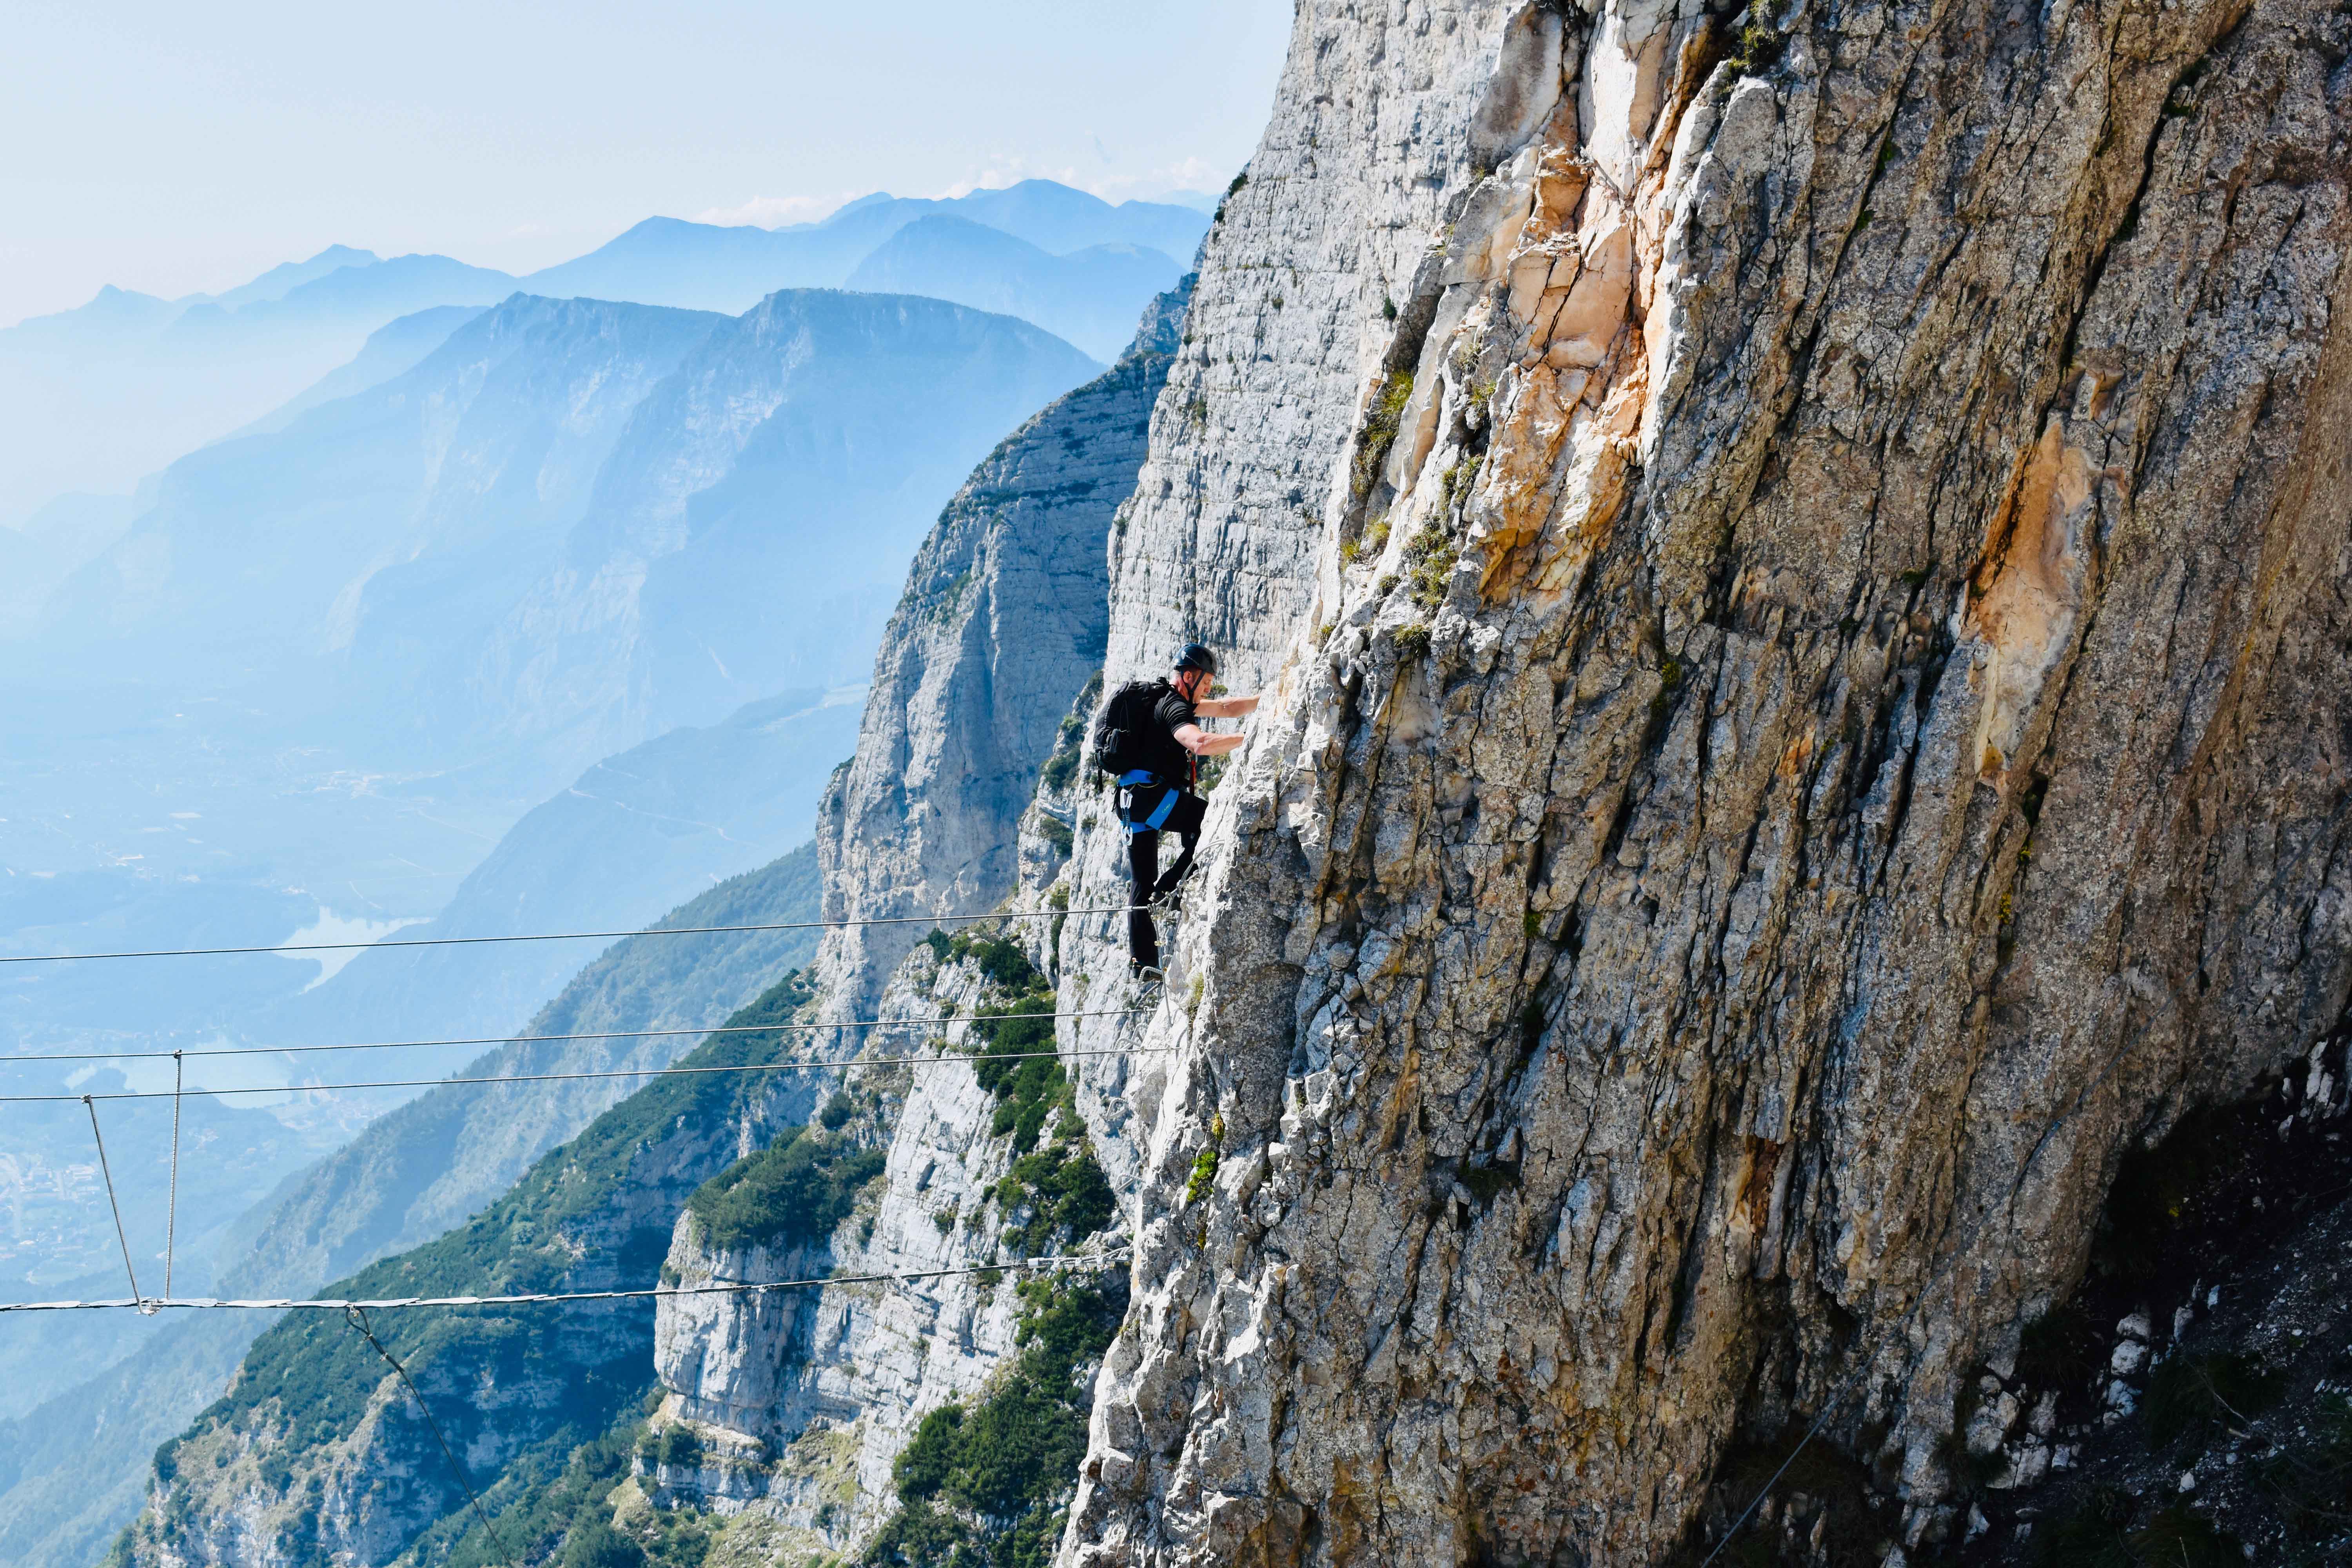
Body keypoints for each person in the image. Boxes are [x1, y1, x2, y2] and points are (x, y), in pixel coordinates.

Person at [1102, 642, 1257, 978]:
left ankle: (1143, 963)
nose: (1208, 691)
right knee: (1213, 820)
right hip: (1153, 796)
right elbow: (1199, 743)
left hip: (1130, 802)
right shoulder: (1174, 707)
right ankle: (1171, 888)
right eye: (1204, 685)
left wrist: (1267, 701)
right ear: (1188, 676)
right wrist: (1252, 738)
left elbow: (1228, 708)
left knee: (1141, 882)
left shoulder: (1161, 699)